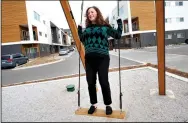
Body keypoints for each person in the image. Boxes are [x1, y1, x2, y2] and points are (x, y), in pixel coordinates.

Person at [78, 6, 122, 115]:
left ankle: (108, 105)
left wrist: (119, 22)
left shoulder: (104, 27)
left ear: (97, 13)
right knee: (90, 83)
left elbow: (118, 35)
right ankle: (93, 104)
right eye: (88, 13)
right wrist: (79, 29)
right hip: (89, 60)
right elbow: (82, 39)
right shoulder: (86, 30)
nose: (90, 14)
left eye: (92, 12)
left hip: (103, 59)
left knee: (103, 82)